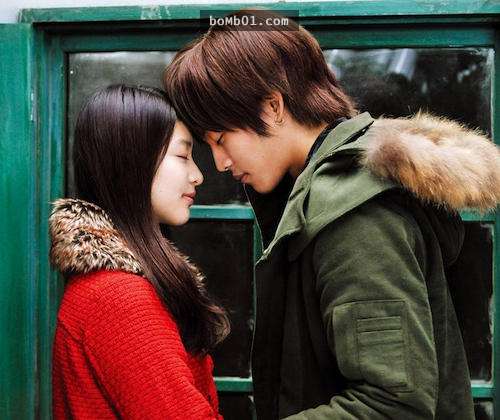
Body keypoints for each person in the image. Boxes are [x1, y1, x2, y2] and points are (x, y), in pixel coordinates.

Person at [163, 10, 500, 420]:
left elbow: (394, 406)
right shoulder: (321, 197)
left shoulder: (356, 217)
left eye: (221, 139)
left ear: (272, 107)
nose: (219, 162)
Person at [49, 84, 229, 419]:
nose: (198, 176)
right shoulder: (117, 298)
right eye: (182, 156)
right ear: (133, 162)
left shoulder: (112, 288)